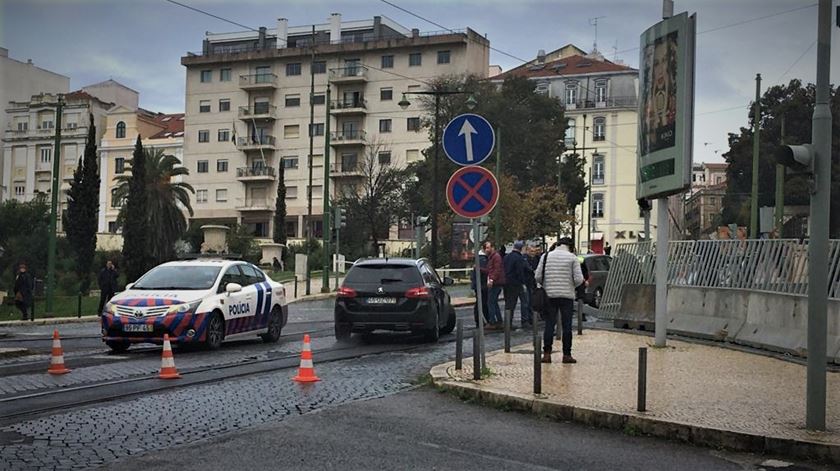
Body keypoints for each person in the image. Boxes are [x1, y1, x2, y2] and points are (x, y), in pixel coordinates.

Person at [535, 237, 584, 364]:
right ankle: (566, 355)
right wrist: (570, 285)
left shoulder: (546, 256)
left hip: (549, 295)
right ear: (570, 246)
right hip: (567, 296)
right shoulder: (572, 257)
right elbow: (579, 279)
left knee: (549, 324)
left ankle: (546, 354)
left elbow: (538, 276)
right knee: (567, 326)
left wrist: (547, 284)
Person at [503, 240, 530, 329]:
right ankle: (525, 321)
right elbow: (520, 272)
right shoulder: (519, 258)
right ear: (521, 248)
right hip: (517, 283)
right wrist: (523, 282)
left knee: (509, 304)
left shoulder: (507, 257)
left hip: (507, 283)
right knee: (524, 302)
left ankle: (508, 322)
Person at [485, 240, 505, 330]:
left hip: (495, 283)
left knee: (491, 302)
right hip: (496, 282)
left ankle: (492, 321)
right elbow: (490, 269)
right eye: (486, 248)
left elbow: (497, 270)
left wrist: (492, 279)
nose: (486, 249)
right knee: (494, 302)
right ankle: (499, 321)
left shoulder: (495, 257)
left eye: (488, 247)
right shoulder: (492, 257)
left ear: (492, 248)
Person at [470, 244, 489, 326]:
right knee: (482, 303)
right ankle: (481, 320)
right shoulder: (482, 259)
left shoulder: (480, 258)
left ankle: (480, 320)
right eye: (488, 247)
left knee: (480, 302)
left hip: (479, 285)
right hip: (482, 285)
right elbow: (482, 272)